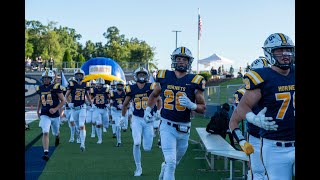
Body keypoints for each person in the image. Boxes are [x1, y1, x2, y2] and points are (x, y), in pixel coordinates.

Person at [229, 33, 295, 179]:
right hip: (270, 144)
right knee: (258, 175)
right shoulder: (260, 79)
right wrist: (251, 119)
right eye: (279, 51)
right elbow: (236, 117)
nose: (285, 55)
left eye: (288, 50)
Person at [144, 46, 206, 180]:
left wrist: (192, 105)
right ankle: (167, 167)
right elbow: (154, 95)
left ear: (189, 62)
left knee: (174, 162)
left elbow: (203, 108)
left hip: (185, 128)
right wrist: (148, 109)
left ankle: (164, 168)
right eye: (179, 58)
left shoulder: (195, 81)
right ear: (174, 60)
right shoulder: (164, 76)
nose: (181, 61)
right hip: (167, 125)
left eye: (184, 59)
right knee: (171, 162)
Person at [232, 56, 270, 180]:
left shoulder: (279, 88)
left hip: (279, 138)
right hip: (256, 136)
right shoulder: (243, 93)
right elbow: (234, 120)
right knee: (257, 172)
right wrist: (242, 140)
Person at [121, 67, 162, 176]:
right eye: (140, 74)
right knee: (137, 143)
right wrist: (123, 117)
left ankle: (149, 136)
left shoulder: (151, 86)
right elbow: (125, 104)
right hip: (137, 119)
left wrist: (158, 111)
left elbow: (159, 100)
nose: (142, 76)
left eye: (144, 74)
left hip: (149, 120)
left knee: (147, 148)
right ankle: (138, 168)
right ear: (136, 76)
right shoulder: (131, 88)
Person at [36, 69, 66, 161]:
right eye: (44, 78)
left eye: (48, 78)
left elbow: (63, 101)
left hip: (55, 115)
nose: (46, 80)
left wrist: (55, 109)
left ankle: (57, 137)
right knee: (45, 131)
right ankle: (46, 152)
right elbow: (40, 99)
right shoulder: (40, 88)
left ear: (51, 79)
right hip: (45, 113)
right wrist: (38, 110)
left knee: (56, 132)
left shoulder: (56, 87)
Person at [65, 69, 93, 151]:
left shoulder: (85, 84)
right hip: (74, 109)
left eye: (80, 75)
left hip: (82, 107)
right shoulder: (72, 84)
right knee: (77, 126)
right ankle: (79, 136)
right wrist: (69, 103)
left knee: (81, 125)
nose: (79, 76)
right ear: (75, 76)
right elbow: (66, 96)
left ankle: (82, 144)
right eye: (77, 75)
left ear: (83, 76)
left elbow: (87, 95)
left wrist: (91, 104)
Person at [90, 77, 110, 144]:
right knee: (98, 123)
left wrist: (109, 103)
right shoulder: (93, 90)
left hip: (104, 109)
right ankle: (99, 139)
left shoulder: (106, 89)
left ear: (103, 84)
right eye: (98, 84)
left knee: (106, 125)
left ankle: (105, 127)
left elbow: (109, 97)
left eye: (100, 84)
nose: (99, 85)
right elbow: (91, 98)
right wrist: (91, 102)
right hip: (97, 109)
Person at [109, 80, 126, 147]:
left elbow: (128, 102)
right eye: (118, 85)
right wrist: (115, 106)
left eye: (121, 85)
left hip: (123, 111)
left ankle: (124, 126)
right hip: (115, 111)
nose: (119, 87)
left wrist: (124, 106)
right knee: (118, 126)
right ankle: (119, 141)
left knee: (123, 126)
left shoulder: (125, 93)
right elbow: (111, 102)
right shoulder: (113, 93)